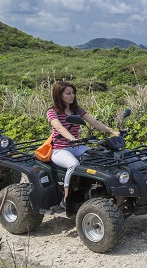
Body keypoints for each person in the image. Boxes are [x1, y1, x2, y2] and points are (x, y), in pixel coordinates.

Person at [47, 81, 119, 211]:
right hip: (60, 149)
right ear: (59, 95)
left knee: (99, 156)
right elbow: (59, 127)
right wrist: (72, 138)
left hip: (76, 147)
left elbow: (94, 122)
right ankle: (66, 199)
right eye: (68, 93)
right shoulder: (52, 112)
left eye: (73, 93)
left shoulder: (77, 110)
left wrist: (112, 131)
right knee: (73, 164)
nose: (72, 96)